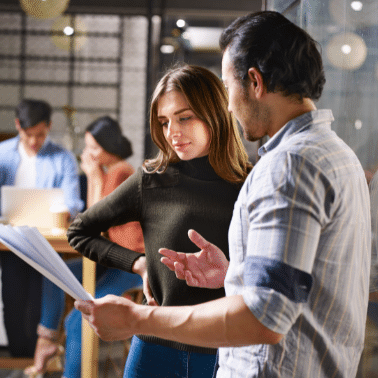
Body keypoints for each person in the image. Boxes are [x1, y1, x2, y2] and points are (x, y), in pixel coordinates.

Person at [74, 11, 372, 378]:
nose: (228, 105)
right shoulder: (337, 155)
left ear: (255, 82)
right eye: (165, 121)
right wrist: (232, 276)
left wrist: (138, 319)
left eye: (228, 89)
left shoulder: (287, 166)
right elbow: (297, 292)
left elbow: (264, 318)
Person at [67, 64, 251, 377]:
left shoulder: (252, 182)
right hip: (155, 346)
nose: (172, 133)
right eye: (164, 122)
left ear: (216, 113)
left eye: (184, 117)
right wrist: (138, 264)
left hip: (227, 349)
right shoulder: (152, 180)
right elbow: (79, 231)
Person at [24, 116, 145, 378]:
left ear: (109, 146)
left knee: (79, 319)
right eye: (87, 147)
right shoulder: (109, 171)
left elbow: (95, 222)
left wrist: (91, 175)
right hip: (111, 259)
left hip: (130, 264)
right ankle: (47, 340)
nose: (87, 154)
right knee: (55, 273)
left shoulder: (121, 172)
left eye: (93, 148)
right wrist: (93, 176)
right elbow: (94, 219)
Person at [0, 99, 83, 357]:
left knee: (40, 299)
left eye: (40, 134)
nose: (34, 141)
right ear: (17, 126)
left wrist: (63, 210)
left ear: (49, 126)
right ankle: (18, 357)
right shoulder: (2, 154)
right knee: (12, 299)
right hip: (9, 239)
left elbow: (74, 202)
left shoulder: (63, 158)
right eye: (28, 135)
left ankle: (36, 360)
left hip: (46, 241)